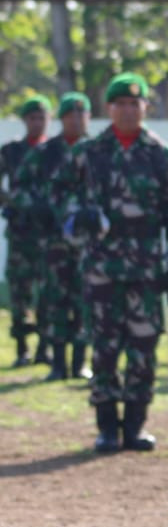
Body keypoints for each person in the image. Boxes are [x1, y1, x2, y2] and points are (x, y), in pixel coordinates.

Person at [56, 73, 168, 453]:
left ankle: (134, 425)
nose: (129, 110)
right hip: (101, 265)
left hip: (147, 268)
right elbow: (59, 194)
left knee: (143, 346)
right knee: (104, 347)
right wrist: (76, 215)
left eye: (136, 103)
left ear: (145, 107)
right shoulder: (88, 152)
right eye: (121, 104)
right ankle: (106, 427)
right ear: (109, 108)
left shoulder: (161, 154)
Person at [13, 92, 93, 380]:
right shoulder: (45, 152)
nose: (77, 119)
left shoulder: (98, 150)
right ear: (61, 119)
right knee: (55, 298)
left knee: (85, 299)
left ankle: (80, 362)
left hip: (87, 241)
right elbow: (19, 187)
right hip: (53, 239)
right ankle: (58, 362)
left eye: (82, 114)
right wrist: (35, 207)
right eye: (71, 114)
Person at [0, 95, 51, 366]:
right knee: (20, 290)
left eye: (42, 118)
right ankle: (22, 348)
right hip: (20, 231)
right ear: (25, 120)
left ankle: (45, 346)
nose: (37, 122)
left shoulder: (54, 150)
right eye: (33, 118)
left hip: (47, 233)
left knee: (48, 290)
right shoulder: (11, 151)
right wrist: (10, 202)